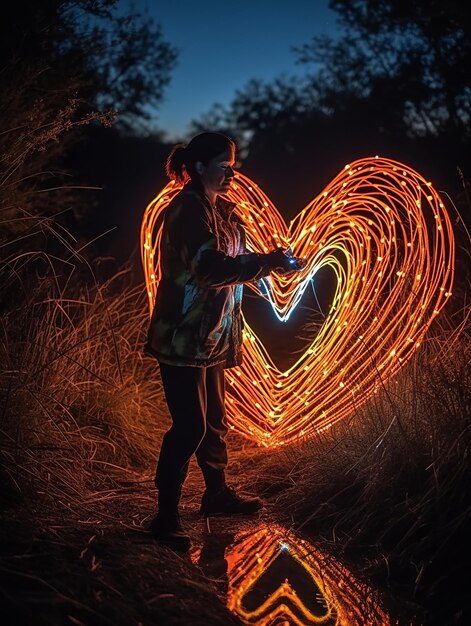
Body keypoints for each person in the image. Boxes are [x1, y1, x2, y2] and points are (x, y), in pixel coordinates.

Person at [144, 132, 304, 550]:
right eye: (224, 166)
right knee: (190, 426)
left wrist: (272, 260)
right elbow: (209, 270)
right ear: (199, 167)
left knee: (214, 420)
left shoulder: (224, 212)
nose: (232, 174)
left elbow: (233, 265)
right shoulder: (186, 210)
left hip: (212, 335)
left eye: (233, 166)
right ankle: (164, 517)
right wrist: (264, 264)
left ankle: (216, 495)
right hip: (183, 337)